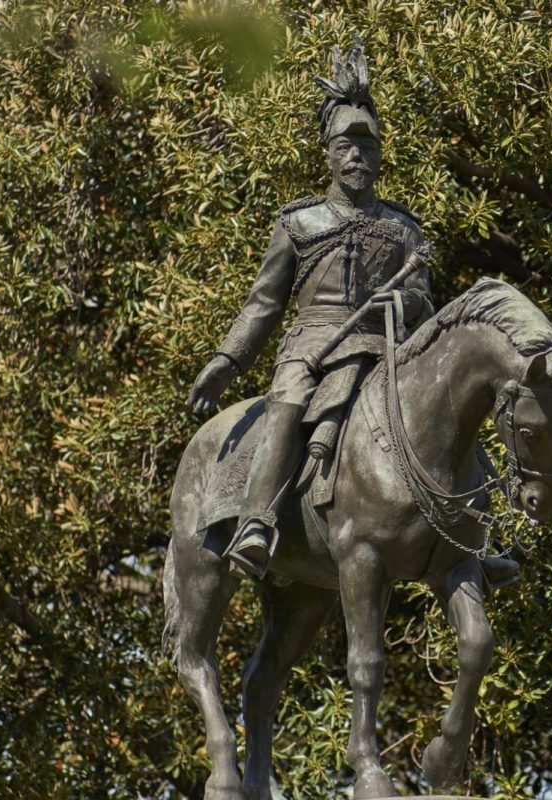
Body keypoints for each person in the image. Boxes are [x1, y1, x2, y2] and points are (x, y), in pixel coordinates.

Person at [186, 38, 433, 578]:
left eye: (367, 148)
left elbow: (426, 301)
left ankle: (480, 533)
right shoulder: (298, 223)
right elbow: (263, 306)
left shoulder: (402, 227)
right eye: (346, 146)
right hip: (314, 346)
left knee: (444, 403)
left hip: (384, 345)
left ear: (380, 154)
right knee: (289, 402)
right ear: (327, 151)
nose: (357, 157)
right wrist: (226, 362)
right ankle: (256, 523)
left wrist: (406, 300)